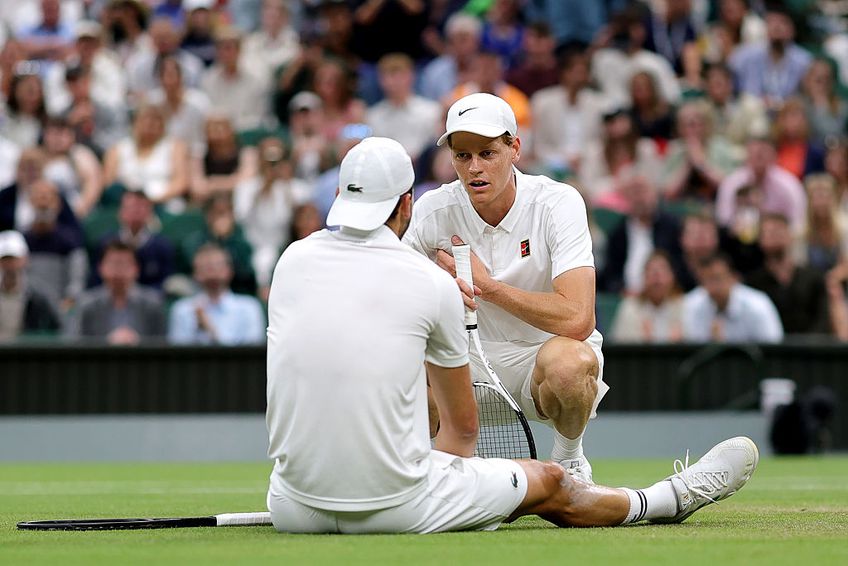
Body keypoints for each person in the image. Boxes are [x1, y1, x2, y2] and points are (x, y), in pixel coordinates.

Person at [265, 135, 759, 534]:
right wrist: (470, 494)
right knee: (550, 481)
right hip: (399, 502)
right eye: (464, 155)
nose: (474, 165)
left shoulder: (291, 261)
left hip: (291, 502)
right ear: (406, 205)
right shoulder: (430, 283)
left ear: (336, 197)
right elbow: (462, 434)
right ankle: (668, 500)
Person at [401, 93, 606, 482]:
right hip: (462, 364)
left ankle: (568, 461)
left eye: (487, 153)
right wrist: (432, 287)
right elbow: (390, 299)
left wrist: (487, 287)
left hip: (540, 360)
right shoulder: (433, 210)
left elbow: (579, 319)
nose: (474, 168)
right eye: (462, 156)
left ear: (515, 148)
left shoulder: (558, 203)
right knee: (394, 362)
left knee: (572, 364)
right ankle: (431, 472)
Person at [65, 239, 167, 344]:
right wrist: (106, 342)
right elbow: (73, 343)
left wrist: (138, 342)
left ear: (136, 269)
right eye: (113, 263)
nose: (118, 270)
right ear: (101, 268)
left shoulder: (153, 303)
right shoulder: (86, 303)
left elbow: (162, 344)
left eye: (124, 264)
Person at [746, 213, 831, 336]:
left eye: (779, 231)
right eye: (769, 232)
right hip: (768, 350)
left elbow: (823, 320)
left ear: (790, 236)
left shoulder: (814, 278)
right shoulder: (752, 283)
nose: (774, 236)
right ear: (760, 240)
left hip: (811, 349)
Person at [168, 243, 265, 344]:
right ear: (195, 273)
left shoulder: (249, 308)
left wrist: (211, 331)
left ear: (229, 271)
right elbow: (178, 355)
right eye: (205, 267)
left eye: (217, 266)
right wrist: (197, 329)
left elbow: (252, 355)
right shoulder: (182, 310)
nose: (212, 272)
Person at [683, 253, 783, 343]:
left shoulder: (758, 306)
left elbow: (773, 350)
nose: (712, 288)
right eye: (705, 281)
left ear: (734, 278)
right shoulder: (690, 305)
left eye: (717, 279)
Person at [610, 250, 684, 343]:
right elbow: (619, 347)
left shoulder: (685, 307)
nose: (657, 277)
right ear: (644, 277)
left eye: (663, 270)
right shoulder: (629, 308)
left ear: (672, 277)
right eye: (652, 271)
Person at [0, 229, 61, 340]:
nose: (9, 265)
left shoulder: (40, 296)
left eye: (13, 259)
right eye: (5, 259)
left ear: (24, 259)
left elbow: (55, 327)